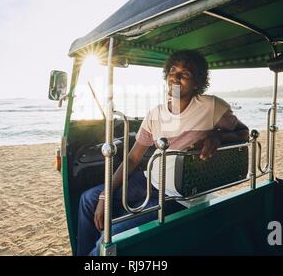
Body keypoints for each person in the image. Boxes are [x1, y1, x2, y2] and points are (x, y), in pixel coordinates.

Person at [77, 50, 249, 256]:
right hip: (150, 181)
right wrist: (105, 195)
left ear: (197, 82)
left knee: (109, 240)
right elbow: (132, 158)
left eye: (185, 74)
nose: (175, 77)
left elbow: (244, 133)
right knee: (89, 199)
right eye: (173, 71)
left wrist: (218, 137)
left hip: (181, 196)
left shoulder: (211, 106)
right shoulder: (155, 114)